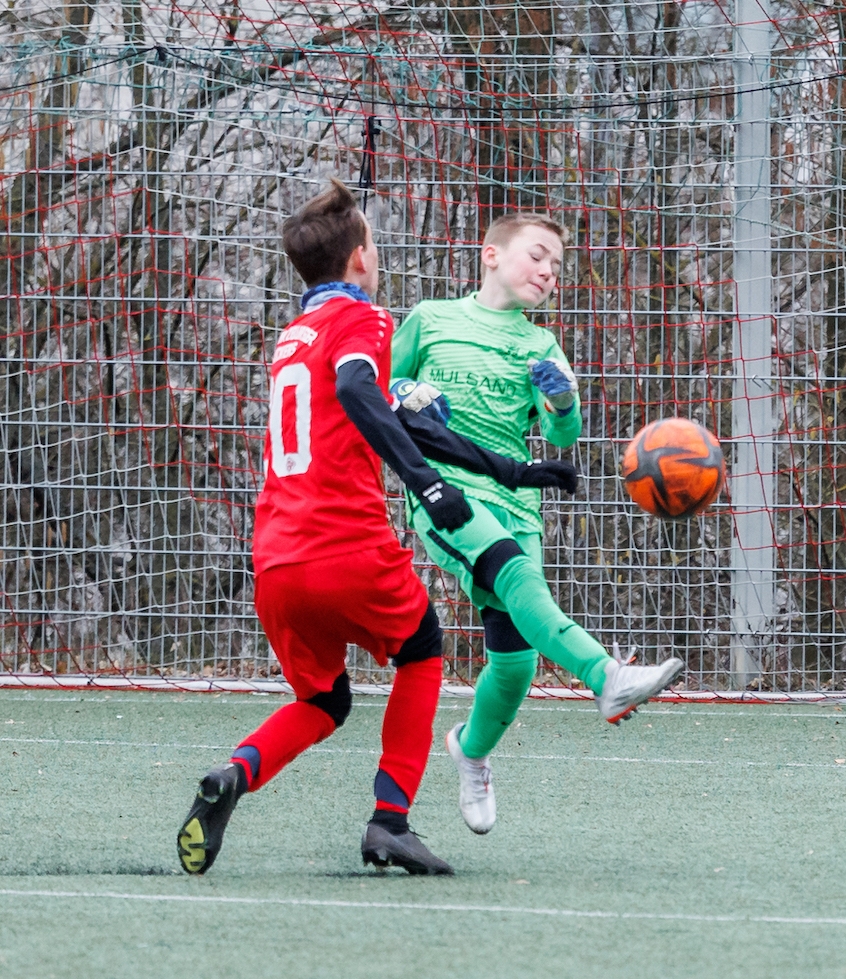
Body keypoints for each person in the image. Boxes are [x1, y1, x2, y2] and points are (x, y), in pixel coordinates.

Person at [176, 183, 576, 877]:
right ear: (361, 259)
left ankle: (235, 774)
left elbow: (405, 417)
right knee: (422, 651)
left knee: (324, 700)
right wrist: (425, 483)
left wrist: (512, 471)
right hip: (344, 544)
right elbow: (365, 394)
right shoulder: (363, 321)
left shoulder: (293, 338)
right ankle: (390, 820)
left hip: (274, 561)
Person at [391, 212, 684, 837]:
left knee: (515, 665)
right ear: (491, 255)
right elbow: (380, 382)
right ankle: (606, 675)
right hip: (446, 493)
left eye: (557, 265)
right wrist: (411, 393)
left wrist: (561, 399)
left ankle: (469, 750)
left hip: (518, 503)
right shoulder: (433, 318)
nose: (549, 271)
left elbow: (561, 435)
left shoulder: (540, 345)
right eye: (537, 255)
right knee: (521, 579)